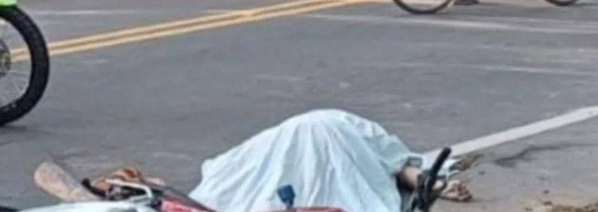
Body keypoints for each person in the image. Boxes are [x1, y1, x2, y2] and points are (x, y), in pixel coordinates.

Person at [188, 109, 472, 212]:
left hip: (306, 137)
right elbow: (399, 165)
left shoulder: (362, 136)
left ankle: (430, 183)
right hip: (314, 135)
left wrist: (432, 184)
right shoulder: (364, 135)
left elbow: (398, 164)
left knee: (248, 182)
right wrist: (431, 184)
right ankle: (430, 184)